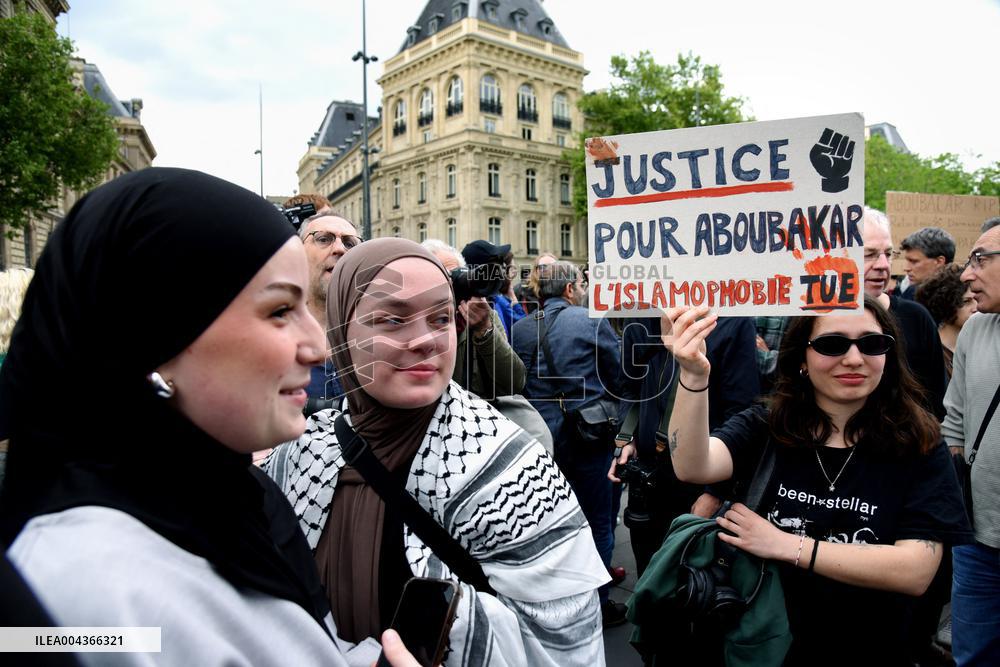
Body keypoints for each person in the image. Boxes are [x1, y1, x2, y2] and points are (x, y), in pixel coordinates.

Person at [0, 168, 422, 666]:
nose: (319, 348)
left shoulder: (238, 495)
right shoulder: (69, 592)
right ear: (157, 334)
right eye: (280, 310)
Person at [263, 238, 609, 666]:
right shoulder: (298, 454)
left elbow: (568, 646)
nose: (426, 340)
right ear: (338, 332)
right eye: (392, 319)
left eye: (442, 318)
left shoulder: (514, 471)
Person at [666, 297, 972, 665]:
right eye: (832, 344)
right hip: (766, 644)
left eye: (872, 344)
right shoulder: (767, 426)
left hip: (873, 648)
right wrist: (694, 375)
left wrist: (786, 544)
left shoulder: (919, 442)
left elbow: (914, 571)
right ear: (801, 360)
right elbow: (692, 465)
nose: (855, 359)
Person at [510, 260, 625, 627]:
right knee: (597, 522)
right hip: (589, 435)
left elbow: (516, 381)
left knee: (550, 523)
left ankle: (556, 605)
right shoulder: (589, 318)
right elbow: (619, 373)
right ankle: (599, 605)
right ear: (570, 289)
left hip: (541, 438)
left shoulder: (521, 328)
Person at [609, 315, 759, 575]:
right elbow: (630, 387)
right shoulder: (641, 318)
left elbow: (741, 411)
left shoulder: (733, 320)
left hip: (700, 484)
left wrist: (716, 491)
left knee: (695, 580)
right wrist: (627, 437)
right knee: (650, 572)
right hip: (647, 477)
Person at [942, 217, 1000, 665]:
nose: (966, 274)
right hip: (977, 541)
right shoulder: (975, 331)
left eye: (981, 259)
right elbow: (955, 422)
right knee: (972, 656)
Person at [863, 207, 948, 418]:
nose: (883, 265)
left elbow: (937, 402)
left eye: (889, 254)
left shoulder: (916, 317)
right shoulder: (814, 317)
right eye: (869, 254)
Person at [422, 239, 526, 398]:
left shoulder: (484, 316)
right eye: (444, 277)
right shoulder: (413, 320)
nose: (453, 285)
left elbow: (515, 383)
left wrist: (484, 330)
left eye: (457, 276)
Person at [300, 211, 362, 411]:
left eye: (349, 243)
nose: (339, 249)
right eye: (324, 239)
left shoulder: (381, 338)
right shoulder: (271, 340)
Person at [915, 263, 978, 379]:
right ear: (946, 303)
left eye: (977, 299)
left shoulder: (978, 346)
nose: (976, 308)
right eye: (966, 302)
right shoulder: (930, 351)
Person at [899, 227, 956, 300]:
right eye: (907, 261)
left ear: (939, 262)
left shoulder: (959, 298)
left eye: (914, 261)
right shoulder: (911, 292)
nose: (906, 268)